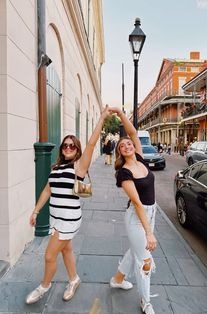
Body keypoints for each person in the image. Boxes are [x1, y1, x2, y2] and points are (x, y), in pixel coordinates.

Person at [25, 106, 112, 305]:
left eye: (72, 146)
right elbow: (47, 190)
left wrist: (102, 118)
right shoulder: (57, 167)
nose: (68, 148)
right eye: (65, 145)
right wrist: (36, 211)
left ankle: (43, 287)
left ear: (77, 149)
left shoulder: (79, 166)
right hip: (57, 217)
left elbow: (91, 144)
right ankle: (74, 280)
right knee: (66, 250)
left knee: (49, 256)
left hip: (69, 220)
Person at [109, 107, 158, 314]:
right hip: (137, 218)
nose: (127, 145)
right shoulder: (124, 173)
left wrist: (121, 114)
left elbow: (133, 133)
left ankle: (117, 279)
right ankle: (146, 301)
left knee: (135, 250)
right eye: (122, 146)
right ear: (119, 152)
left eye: (129, 143)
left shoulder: (141, 159)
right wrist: (149, 233)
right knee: (144, 260)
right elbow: (137, 203)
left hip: (151, 212)